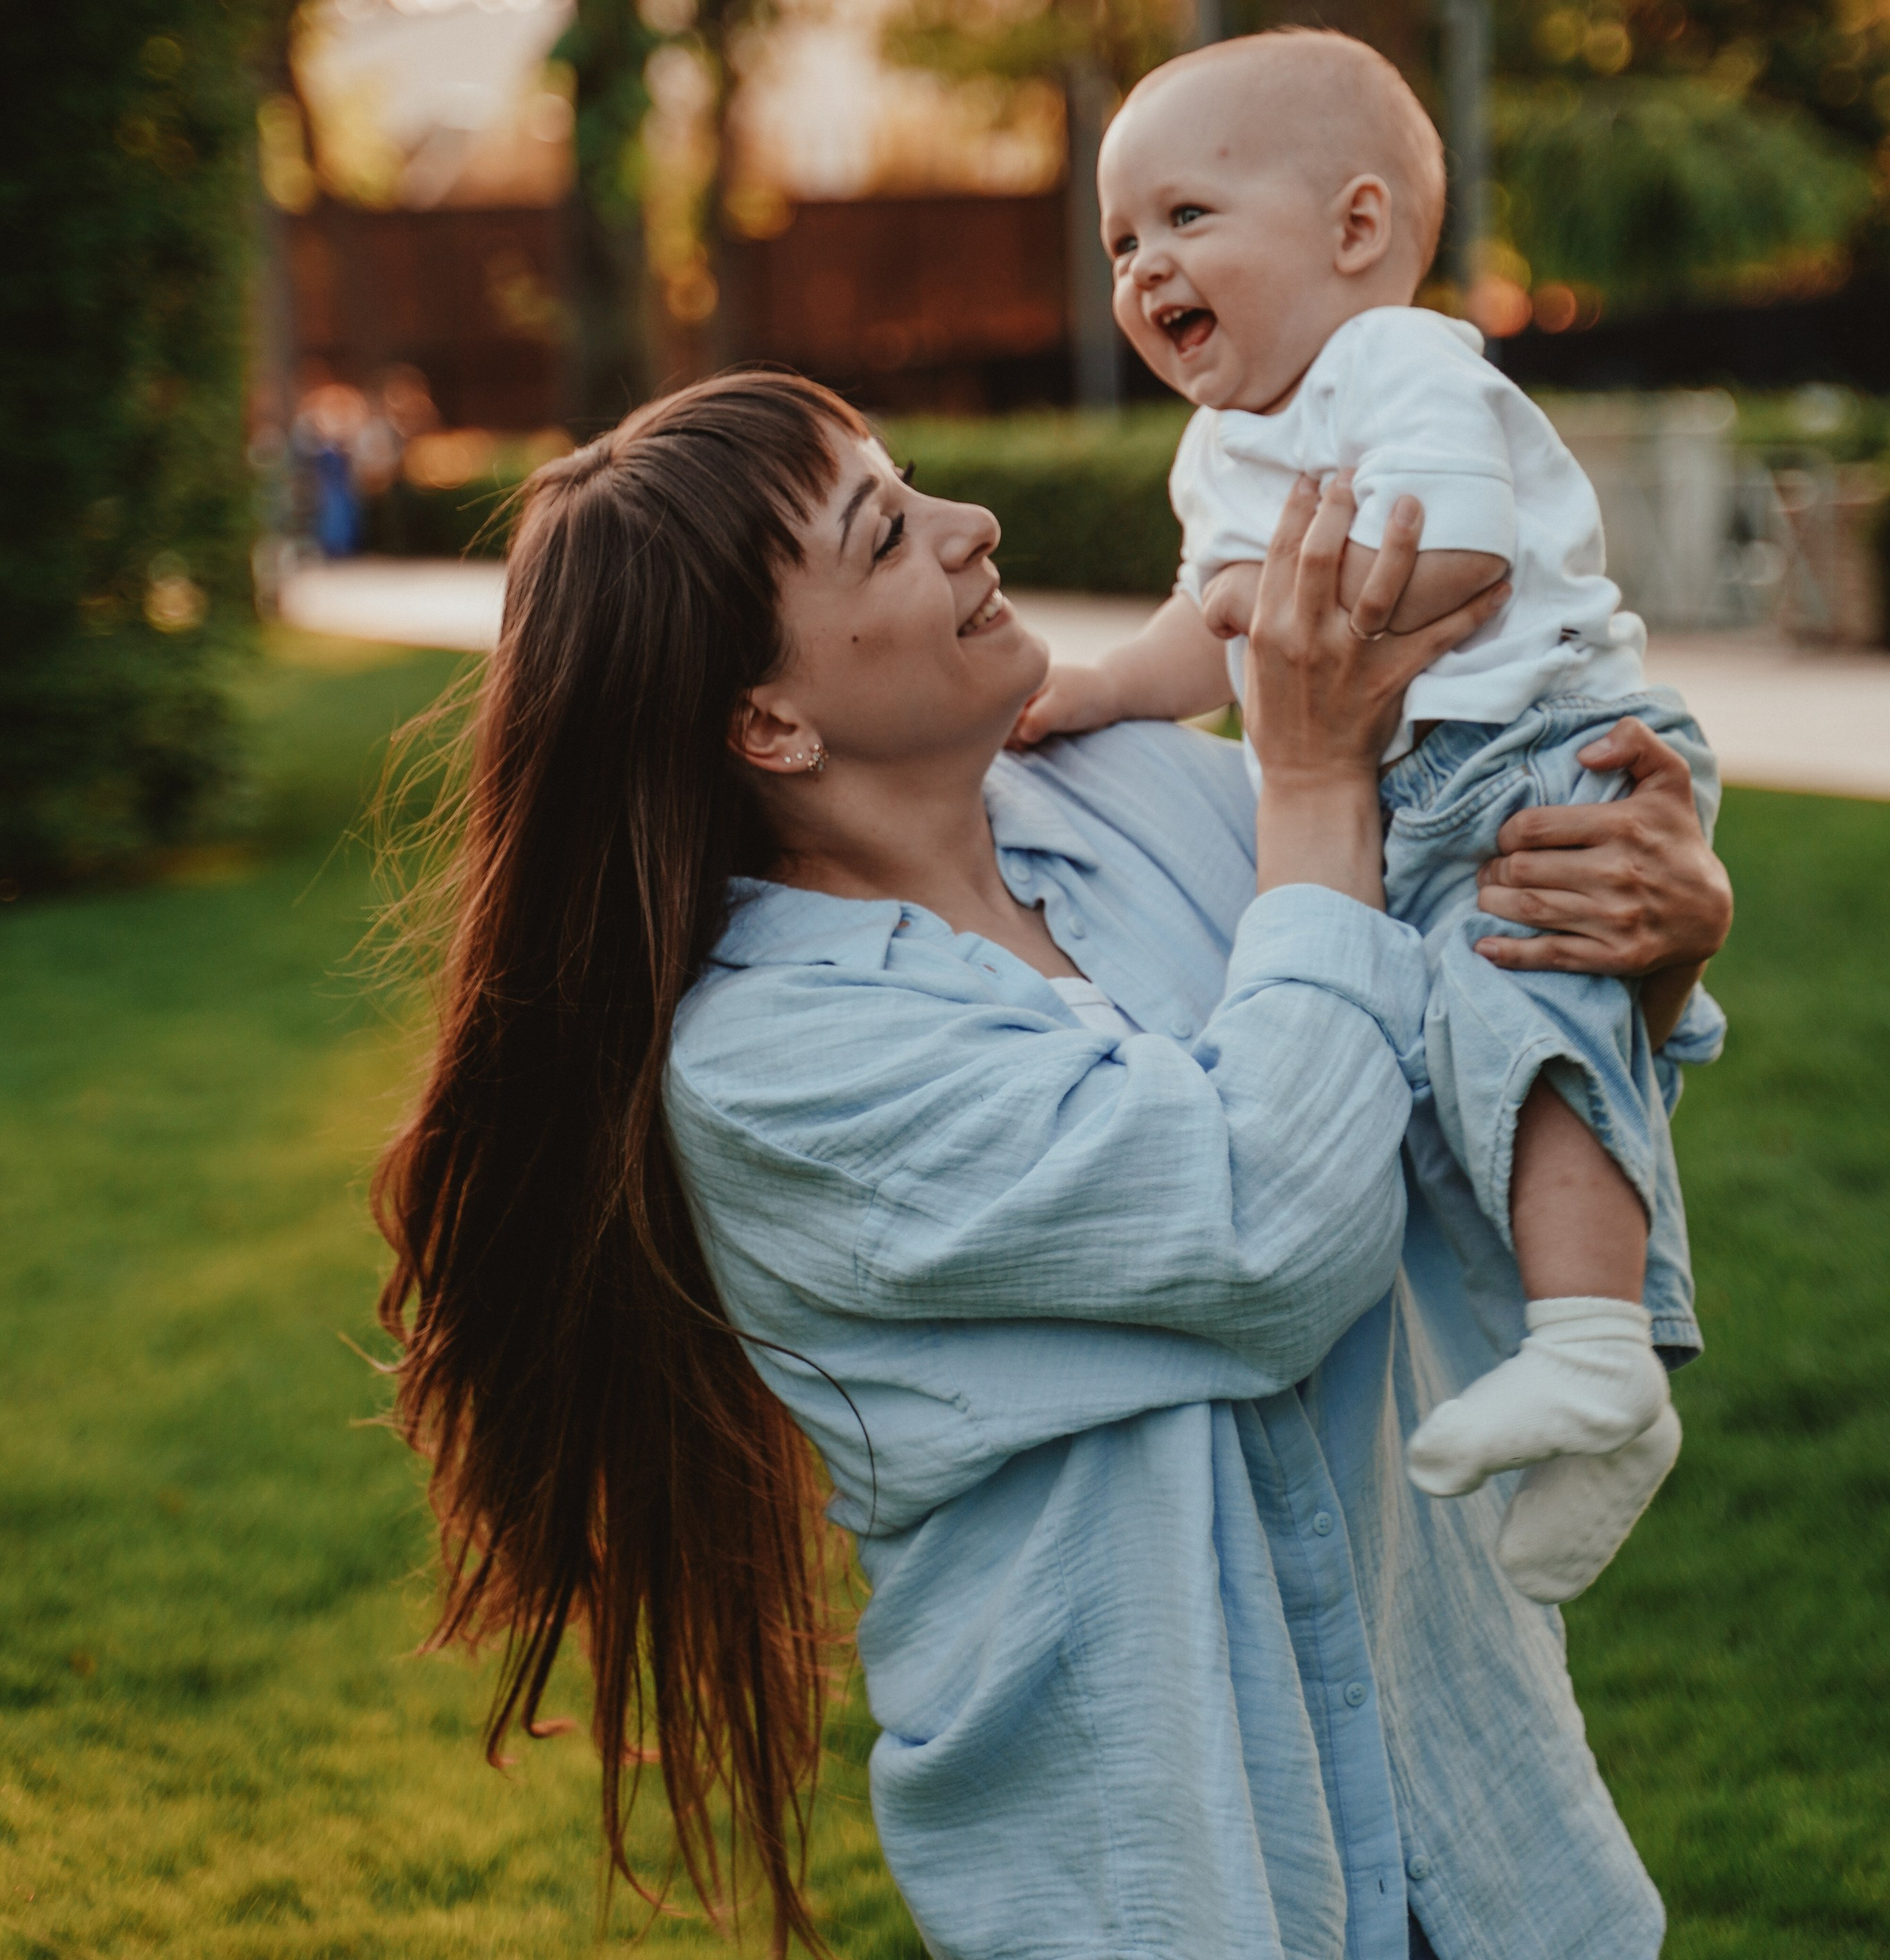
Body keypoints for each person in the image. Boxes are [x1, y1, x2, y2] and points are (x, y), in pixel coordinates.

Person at [374, 371, 1732, 1960]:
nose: (971, 525)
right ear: (766, 722)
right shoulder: (774, 1065)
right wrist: (1312, 785)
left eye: (916, 485)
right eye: (885, 534)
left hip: (1487, 1839)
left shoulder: (1142, 790)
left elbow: (1445, 1145)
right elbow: (1277, 1237)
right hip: (1171, 1888)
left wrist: (1635, 945)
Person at [1014, 32, 1722, 1604]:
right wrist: (1102, 687)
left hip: (1534, 750)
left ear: (1352, 229)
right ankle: (1600, 1380)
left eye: (1186, 217)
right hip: (1420, 784)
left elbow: (1458, 558)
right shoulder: (1220, 446)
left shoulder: (1395, 361)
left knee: (1527, 1018)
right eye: (1121, 243)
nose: (1143, 269)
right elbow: (1203, 627)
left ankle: (1595, 1349)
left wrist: (1272, 613)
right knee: (1468, 1074)